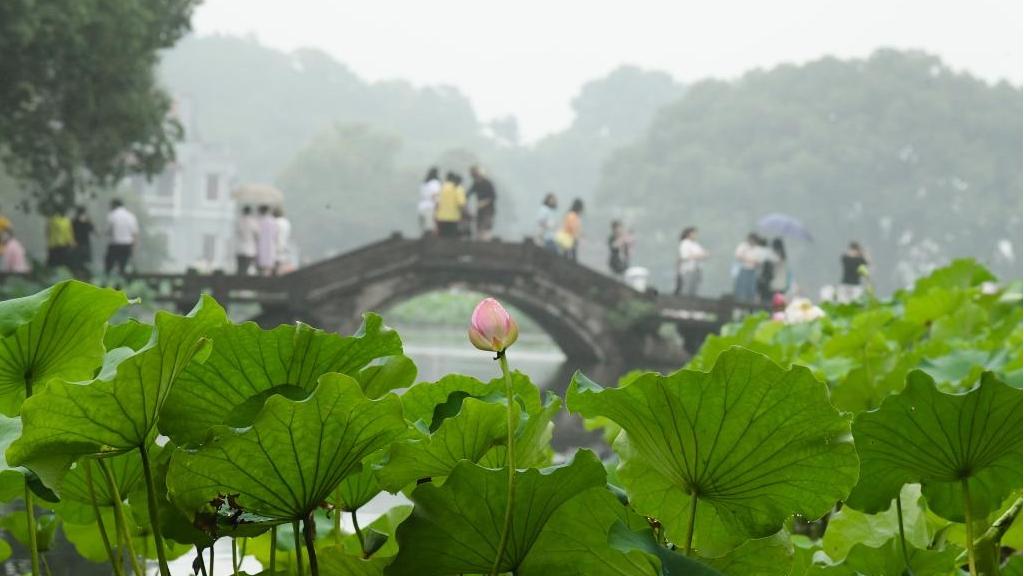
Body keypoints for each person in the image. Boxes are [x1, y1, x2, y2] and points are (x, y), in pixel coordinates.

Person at [105, 199, 138, 275]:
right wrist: (134, 247)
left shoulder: (112, 215)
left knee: (109, 266)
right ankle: (122, 282)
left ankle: (107, 282)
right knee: (123, 266)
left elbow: (108, 231)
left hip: (115, 244)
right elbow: (135, 233)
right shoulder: (131, 216)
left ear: (114, 205)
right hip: (127, 245)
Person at [675, 227, 709, 296]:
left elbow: (704, 254)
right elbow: (685, 256)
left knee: (694, 288)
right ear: (689, 234)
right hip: (688, 269)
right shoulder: (685, 243)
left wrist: (701, 255)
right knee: (687, 288)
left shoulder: (696, 244)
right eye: (694, 233)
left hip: (697, 269)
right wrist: (698, 256)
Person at [468, 165, 496, 240]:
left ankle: (486, 243)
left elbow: (493, 197)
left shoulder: (487, 183)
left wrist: (484, 202)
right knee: (479, 227)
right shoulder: (476, 184)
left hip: (488, 210)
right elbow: (468, 194)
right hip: (480, 210)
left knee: (486, 228)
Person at [435, 172, 466, 238]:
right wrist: (464, 215)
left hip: (441, 217)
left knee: (442, 238)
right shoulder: (458, 188)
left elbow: (436, 202)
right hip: (453, 218)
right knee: (452, 239)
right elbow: (461, 203)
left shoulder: (441, 187)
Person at [733, 232, 762, 302]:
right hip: (743, 269)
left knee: (751, 289)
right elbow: (738, 256)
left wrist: (748, 260)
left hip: (752, 271)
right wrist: (749, 259)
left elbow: (759, 262)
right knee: (740, 288)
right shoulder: (743, 246)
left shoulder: (758, 249)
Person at [234, 206, 258, 275]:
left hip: (240, 249)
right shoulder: (253, 222)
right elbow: (257, 234)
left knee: (240, 270)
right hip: (250, 250)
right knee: (247, 270)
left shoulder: (239, 221)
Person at [71, 205, 95, 275]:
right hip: (85, 245)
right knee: (83, 263)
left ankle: (81, 276)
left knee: (77, 264)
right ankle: (84, 277)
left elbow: (70, 232)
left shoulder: (74, 221)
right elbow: (92, 230)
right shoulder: (87, 221)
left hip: (77, 245)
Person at [418, 167, 441, 236]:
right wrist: (438, 205)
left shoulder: (424, 183)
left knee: (424, 229)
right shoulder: (435, 183)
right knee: (432, 229)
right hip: (430, 207)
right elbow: (435, 195)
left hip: (421, 207)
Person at [256, 205, 278, 276]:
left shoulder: (258, 221)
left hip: (260, 246)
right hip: (270, 246)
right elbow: (275, 234)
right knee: (268, 266)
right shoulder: (273, 221)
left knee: (261, 266)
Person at [274, 207, 293, 274]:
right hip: (284, 246)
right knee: (281, 267)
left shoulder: (275, 222)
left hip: (275, 248)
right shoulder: (286, 222)